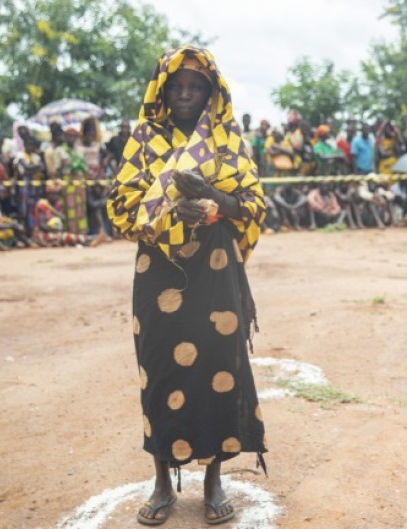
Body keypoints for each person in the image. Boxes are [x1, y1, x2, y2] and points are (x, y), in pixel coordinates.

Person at [106, 46, 267, 526]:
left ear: (211, 92)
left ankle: (214, 479)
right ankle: (162, 481)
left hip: (216, 267)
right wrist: (170, 210)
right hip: (159, 269)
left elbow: (254, 205)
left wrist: (215, 199)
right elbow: (121, 208)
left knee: (220, 365)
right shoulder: (144, 137)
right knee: (159, 368)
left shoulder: (227, 139)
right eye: (177, 86)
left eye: (196, 87)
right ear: (162, 89)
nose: (185, 94)